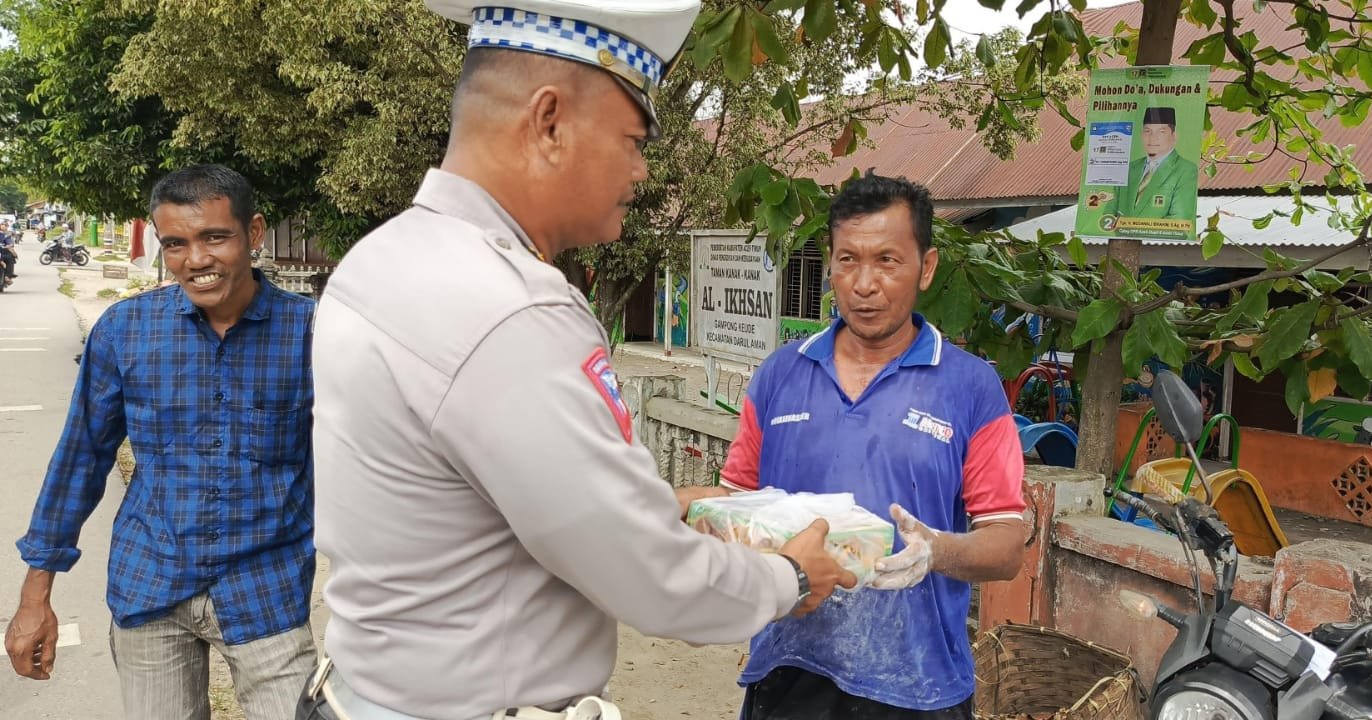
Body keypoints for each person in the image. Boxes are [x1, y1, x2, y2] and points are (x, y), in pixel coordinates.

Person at [297, 1, 854, 719]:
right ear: (549, 121)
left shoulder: (381, 259)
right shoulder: (508, 308)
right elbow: (647, 576)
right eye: (631, 138)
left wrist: (656, 508)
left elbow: (465, 506)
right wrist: (785, 577)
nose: (641, 169)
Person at [5, 164, 318, 720]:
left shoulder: (315, 334)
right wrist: (36, 595)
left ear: (255, 232)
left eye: (214, 237)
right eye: (176, 244)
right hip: (150, 584)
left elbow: (364, 467)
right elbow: (81, 459)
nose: (195, 260)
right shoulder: (126, 331)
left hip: (266, 591)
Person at [716, 172, 1028, 720]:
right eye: (848, 260)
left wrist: (936, 551)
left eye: (887, 260)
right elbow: (732, 507)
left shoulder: (971, 388)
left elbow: (1005, 546)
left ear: (925, 268)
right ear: (830, 264)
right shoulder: (779, 376)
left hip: (919, 686)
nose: (864, 284)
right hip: (790, 670)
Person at [1106, 106, 1199, 222]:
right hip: (1121, 239)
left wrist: (1132, 229)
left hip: (1157, 240)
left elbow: (1179, 219)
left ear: (1174, 136)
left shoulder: (1186, 169)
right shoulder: (1128, 168)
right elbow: (1108, 215)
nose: (1153, 138)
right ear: (1141, 135)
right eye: (1147, 131)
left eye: (1162, 132)